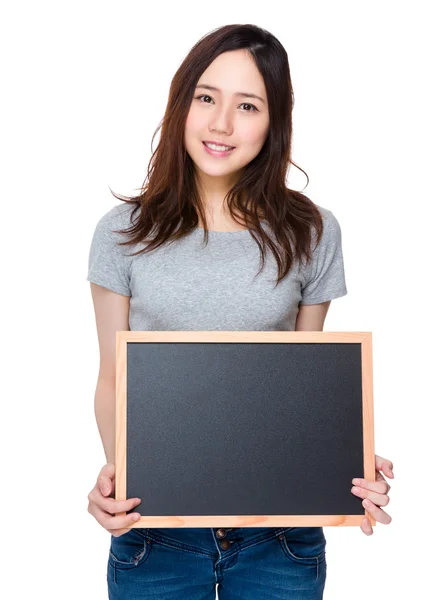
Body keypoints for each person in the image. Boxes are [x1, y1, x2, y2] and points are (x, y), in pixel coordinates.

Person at [86, 23, 394, 600]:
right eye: (206, 98)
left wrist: (344, 460)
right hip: (157, 537)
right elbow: (112, 380)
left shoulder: (312, 231)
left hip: (278, 539)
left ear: (274, 122)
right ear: (182, 104)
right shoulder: (122, 233)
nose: (221, 124)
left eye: (247, 105)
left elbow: (304, 387)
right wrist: (120, 480)